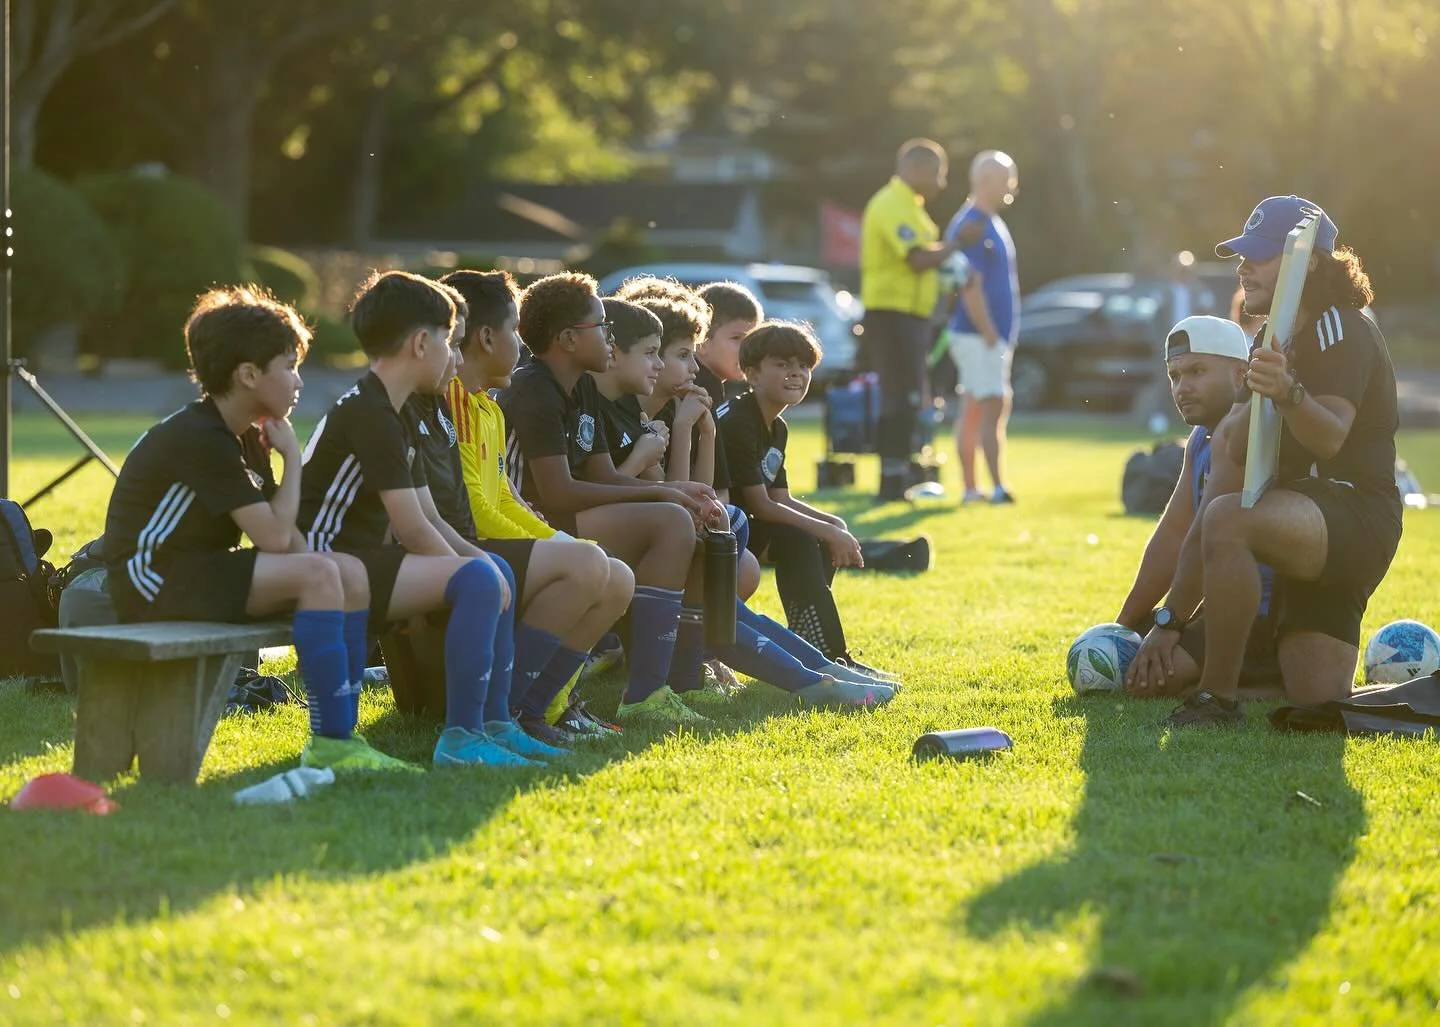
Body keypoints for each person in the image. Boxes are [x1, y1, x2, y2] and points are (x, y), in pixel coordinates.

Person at [101, 286, 403, 771]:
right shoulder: (203, 438)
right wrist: (293, 459)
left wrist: (322, 563)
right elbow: (275, 538)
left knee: (346, 570)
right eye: (289, 366)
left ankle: (344, 733)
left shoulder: (245, 435)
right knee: (324, 574)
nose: (299, 381)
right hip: (152, 579)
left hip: (197, 570)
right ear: (247, 375)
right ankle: (333, 741)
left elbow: (290, 543)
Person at [1155, 196, 1403, 727]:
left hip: (1355, 515)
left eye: (1259, 255)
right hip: (1305, 519)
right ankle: (1252, 655)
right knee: (1315, 698)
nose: (1243, 266)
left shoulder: (1340, 327)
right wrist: (1252, 396)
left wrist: (1287, 392)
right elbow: (1238, 451)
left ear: (1307, 262)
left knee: (1228, 518)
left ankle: (1216, 700)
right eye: (1241, 255)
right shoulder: (1273, 337)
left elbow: (1330, 437)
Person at [298, 270, 541, 767]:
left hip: (365, 559)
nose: (455, 355)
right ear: (419, 343)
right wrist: (470, 573)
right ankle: (462, 739)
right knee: (477, 579)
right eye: (449, 341)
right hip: (326, 561)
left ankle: (494, 725)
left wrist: (486, 566)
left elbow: (429, 514)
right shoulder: (370, 413)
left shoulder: (400, 408)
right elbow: (412, 529)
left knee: (492, 570)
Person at [399, 274, 635, 744]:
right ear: (487, 337)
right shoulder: (452, 404)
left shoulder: (489, 408)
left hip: (480, 540)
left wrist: (562, 542)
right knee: (587, 563)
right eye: (513, 330)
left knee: (616, 576)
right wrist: (563, 549)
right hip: (458, 546)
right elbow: (474, 510)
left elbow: (504, 495)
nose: (522, 344)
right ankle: (507, 710)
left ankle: (545, 706)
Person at [497, 271, 725, 726]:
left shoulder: (581, 384)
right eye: (601, 327)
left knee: (680, 520)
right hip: (525, 523)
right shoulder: (533, 386)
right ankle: (643, 689)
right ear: (565, 338)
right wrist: (664, 494)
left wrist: (675, 491)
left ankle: (608, 690)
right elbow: (558, 494)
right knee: (671, 523)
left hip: (558, 518)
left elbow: (602, 473)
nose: (608, 336)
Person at [716, 321, 898, 683]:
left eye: (803, 365)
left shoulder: (775, 425)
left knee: (814, 535)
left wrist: (834, 526)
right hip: (720, 526)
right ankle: (828, 656)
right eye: (782, 365)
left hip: (746, 522)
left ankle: (814, 648)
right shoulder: (739, 420)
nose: (795, 373)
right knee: (799, 540)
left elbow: (779, 496)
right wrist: (827, 532)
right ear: (751, 373)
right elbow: (761, 506)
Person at [1117, 315, 1280, 699]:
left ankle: (1278, 679)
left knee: (1152, 680)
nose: (1182, 387)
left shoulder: (1250, 435)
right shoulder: (1198, 438)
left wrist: (1169, 623)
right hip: (1211, 606)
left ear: (1241, 374)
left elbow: (1205, 537)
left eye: (1197, 371)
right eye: (1174, 376)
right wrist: (1124, 625)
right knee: (1131, 660)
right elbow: (1174, 533)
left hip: (1265, 613)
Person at [860, 138, 957, 502]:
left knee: (908, 397)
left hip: (911, 315)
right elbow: (916, 258)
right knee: (899, 397)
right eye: (937, 174)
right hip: (892, 313)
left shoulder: (913, 207)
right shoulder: (891, 204)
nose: (941, 183)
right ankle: (890, 483)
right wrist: (955, 244)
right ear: (915, 169)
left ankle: (897, 479)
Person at [942, 150, 1020, 504]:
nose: (1011, 186)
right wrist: (990, 331)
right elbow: (968, 282)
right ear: (985, 181)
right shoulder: (971, 223)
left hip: (987, 336)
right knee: (993, 405)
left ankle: (974, 489)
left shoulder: (991, 220)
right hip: (979, 335)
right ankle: (994, 487)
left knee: (977, 406)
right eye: (1006, 179)